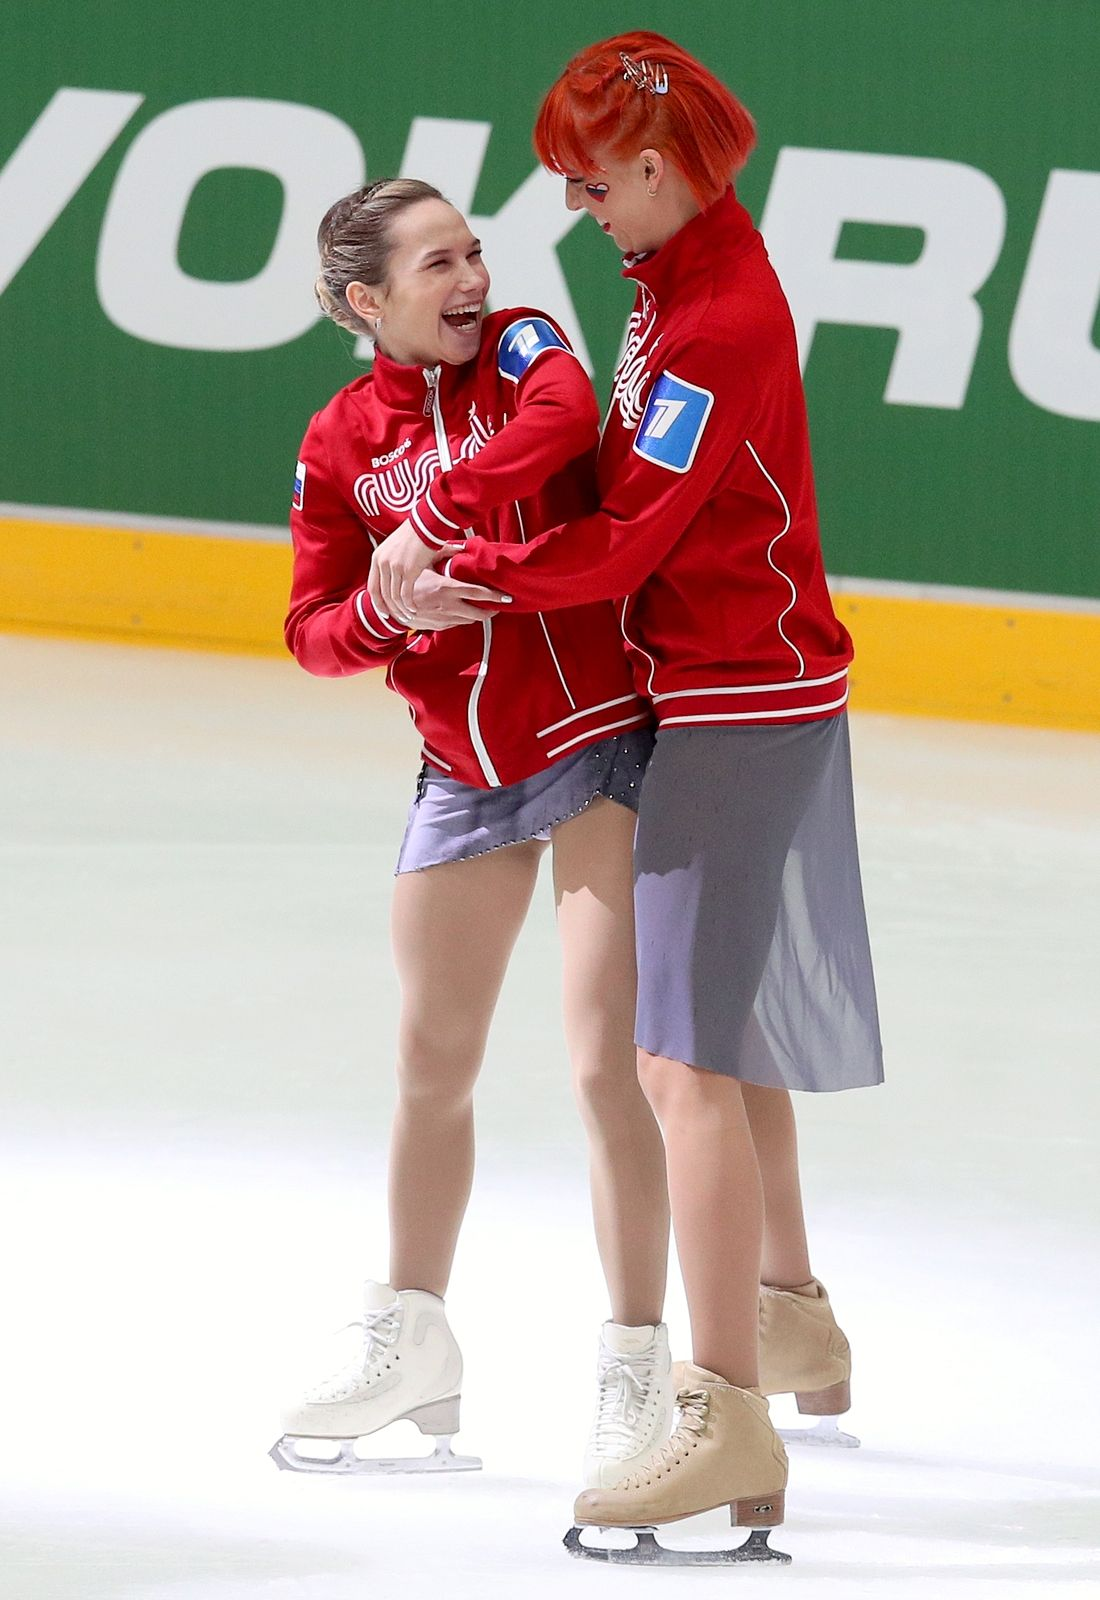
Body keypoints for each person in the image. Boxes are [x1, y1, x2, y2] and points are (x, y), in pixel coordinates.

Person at [372, 35, 884, 1563]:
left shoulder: (714, 318)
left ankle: (720, 1417)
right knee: (724, 1031)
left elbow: (624, 546)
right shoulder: (678, 271)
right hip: (724, 689)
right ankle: (788, 1317)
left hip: (736, 705)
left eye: (592, 185)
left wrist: (466, 571)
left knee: (678, 1064)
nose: (578, 209)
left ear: (657, 169)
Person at [272, 179, 674, 1486]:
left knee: (608, 1068)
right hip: (463, 769)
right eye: (437, 263)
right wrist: (393, 615)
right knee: (431, 1067)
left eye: (474, 252)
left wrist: (439, 517)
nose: (472, 278)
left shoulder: (521, 347)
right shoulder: (340, 440)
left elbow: (563, 416)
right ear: (365, 298)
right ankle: (414, 1344)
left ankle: (637, 1368)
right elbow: (312, 631)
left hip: (600, 738)